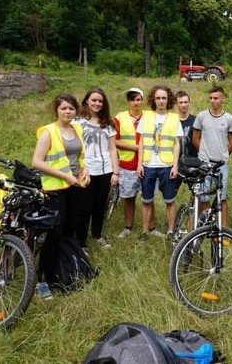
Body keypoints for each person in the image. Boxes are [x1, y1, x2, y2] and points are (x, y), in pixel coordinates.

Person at [32, 93, 89, 298]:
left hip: (75, 186)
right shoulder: (48, 132)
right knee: (53, 234)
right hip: (55, 189)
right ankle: (44, 279)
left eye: (71, 108)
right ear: (56, 109)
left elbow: (80, 156)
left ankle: (64, 270)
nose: (68, 112)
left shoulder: (77, 128)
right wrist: (65, 176)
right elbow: (37, 162)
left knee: (69, 230)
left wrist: (85, 171)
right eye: (64, 108)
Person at [136, 85, 183, 240]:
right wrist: (139, 164)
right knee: (146, 200)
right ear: (153, 100)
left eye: (164, 98)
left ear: (168, 99)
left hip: (167, 165)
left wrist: (175, 165)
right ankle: (145, 231)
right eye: (158, 98)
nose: (161, 101)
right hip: (148, 165)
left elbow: (177, 144)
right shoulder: (146, 116)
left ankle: (170, 232)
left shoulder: (174, 118)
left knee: (170, 200)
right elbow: (141, 142)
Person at [76, 87, 119, 250]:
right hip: (86, 170)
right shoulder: (77, 122)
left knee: (100, 205)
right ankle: (81, 241)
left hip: (105, 170)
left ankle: (97, 235)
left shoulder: (108, 123)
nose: (97, 103)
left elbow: (112, 149)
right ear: (87, 100)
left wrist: (116, 171)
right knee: (84, 207)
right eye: (94, 100)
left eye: (100, 101)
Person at [192, 86, 232, 227]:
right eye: (210, 98)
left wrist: (224, 154)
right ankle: (205, 226)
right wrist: (204, 154)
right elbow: (195, 138)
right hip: (205, 162)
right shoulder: (201, 116)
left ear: (223, 99)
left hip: (221, 165)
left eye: (216, 98)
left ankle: (221, 228)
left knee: (221, 198)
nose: (213, 101)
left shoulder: (229, 119)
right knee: (204, 196)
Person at [113, 87, 150, 238]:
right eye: (133, 100)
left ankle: (150, 227)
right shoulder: (119, 118)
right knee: (128, 197)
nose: (136, 102)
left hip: (147, 163)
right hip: (127, 164)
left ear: (142, 100)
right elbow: (114, 141)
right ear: (128, 101)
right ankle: (128, 227)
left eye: (138, 99)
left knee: (148, 198)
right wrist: (135, 148)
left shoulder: (149, 116)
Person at [174, 90, 198, 193]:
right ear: (176, 103)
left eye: (185, 102)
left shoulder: (196, 120)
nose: (183, 105)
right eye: (181, 102)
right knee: (171, 193)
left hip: (192, 161)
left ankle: (193, 208)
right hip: (175, 162)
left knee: (197, 194)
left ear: (189, 102)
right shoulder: (172, 121)